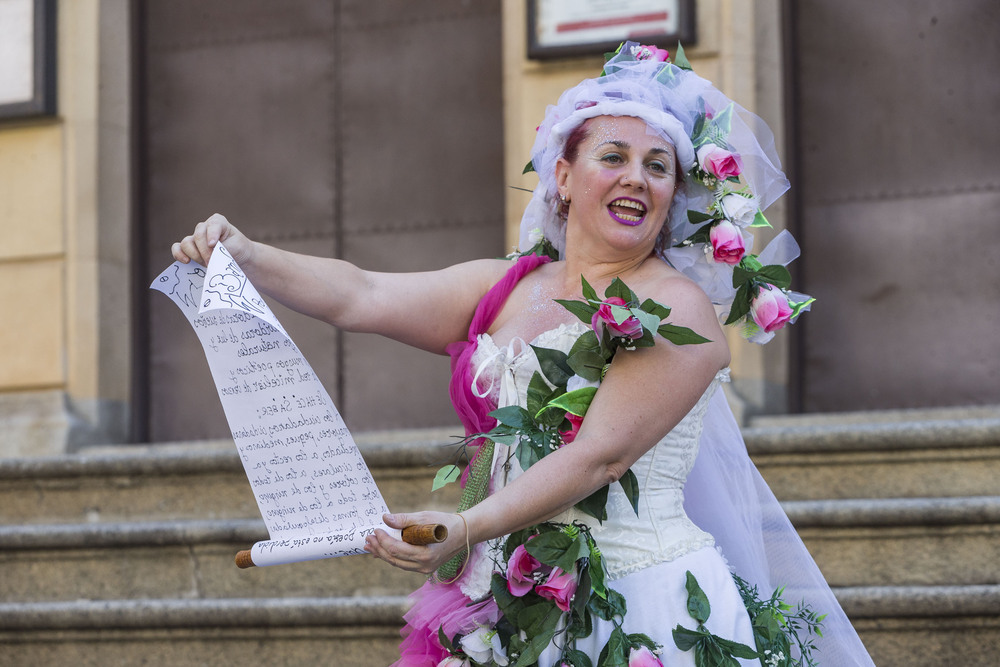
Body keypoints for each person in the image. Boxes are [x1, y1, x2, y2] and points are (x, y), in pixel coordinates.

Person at [173, 43, 873, 667]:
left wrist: (467, 524)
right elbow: (360, 294)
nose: (637, 177)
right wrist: (248, 254)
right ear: (562, 177)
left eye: (658, 167)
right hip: (505, 591)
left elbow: (599, 456)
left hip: (639, 608)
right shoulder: (503, 285)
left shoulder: (678, 310)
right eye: (614, 157)